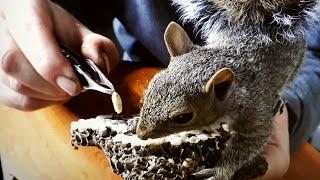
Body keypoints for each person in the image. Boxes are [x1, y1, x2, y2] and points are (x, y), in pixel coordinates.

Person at [0, 0, 319, 179]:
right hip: (139, 70)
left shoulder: (248, 102)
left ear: (221, 89)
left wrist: (284, 110)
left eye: (181, 118)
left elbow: (313, 62)